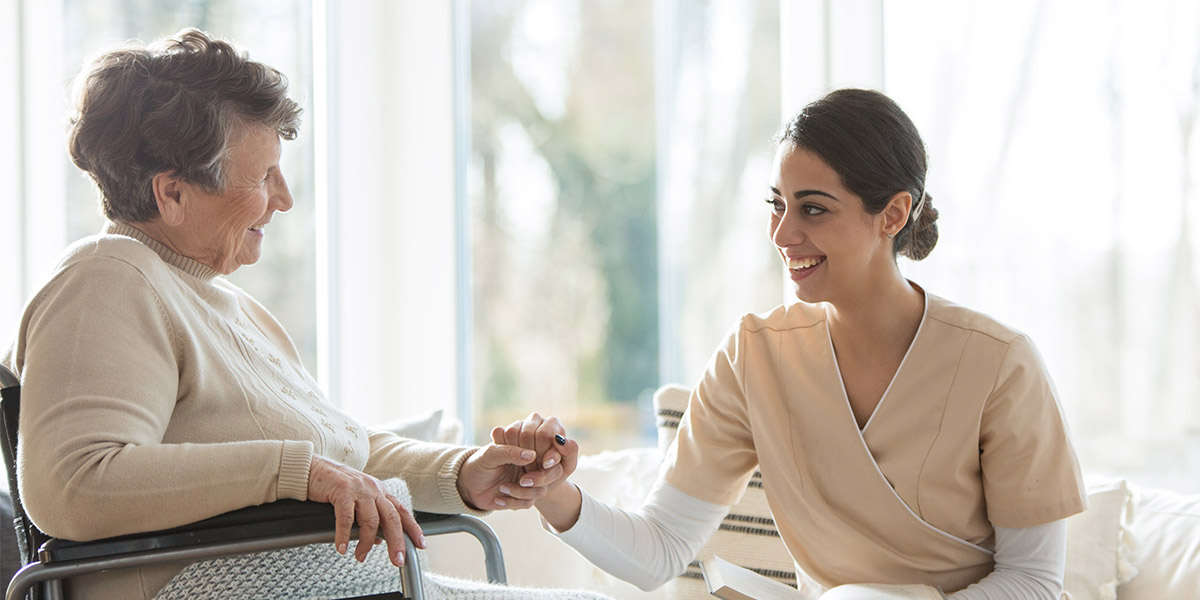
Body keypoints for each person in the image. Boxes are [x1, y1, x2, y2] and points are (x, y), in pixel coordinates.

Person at [2, 29, 596, 600]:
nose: (284, 198)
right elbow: (74, 485)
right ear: (173, 193)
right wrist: (297, 472)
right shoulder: (106, 276)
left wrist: (465, 472)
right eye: (263, 176)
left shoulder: (233, 307)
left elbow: (346, 455)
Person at [500, 89, 1088, 599]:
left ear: (893, 214)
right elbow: (659, 550)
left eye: (812, 208)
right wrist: (555, 495)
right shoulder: (754, 356)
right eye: (777, 205)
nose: (783, 234)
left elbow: (1033, 582)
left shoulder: (999, 363)